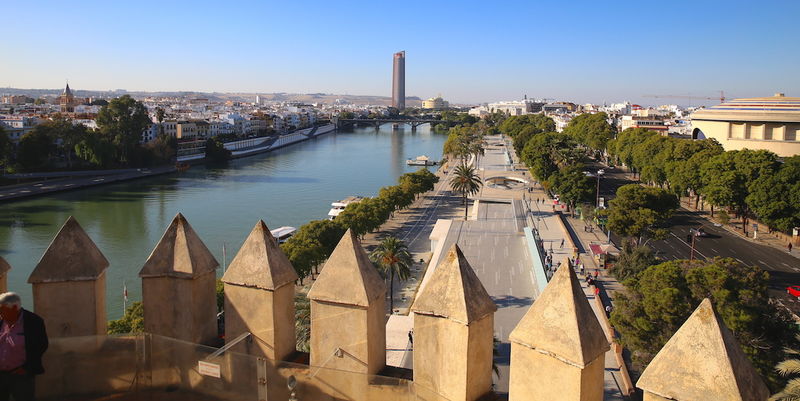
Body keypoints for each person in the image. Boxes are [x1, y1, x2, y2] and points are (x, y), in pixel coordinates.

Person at [0, 292, 48, 401]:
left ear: (15, 308)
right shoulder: (1, 321)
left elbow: (41, 345)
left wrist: (27, 368)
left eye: (3, 310)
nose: (1, 313)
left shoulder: (33, 322)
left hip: (21, 376)